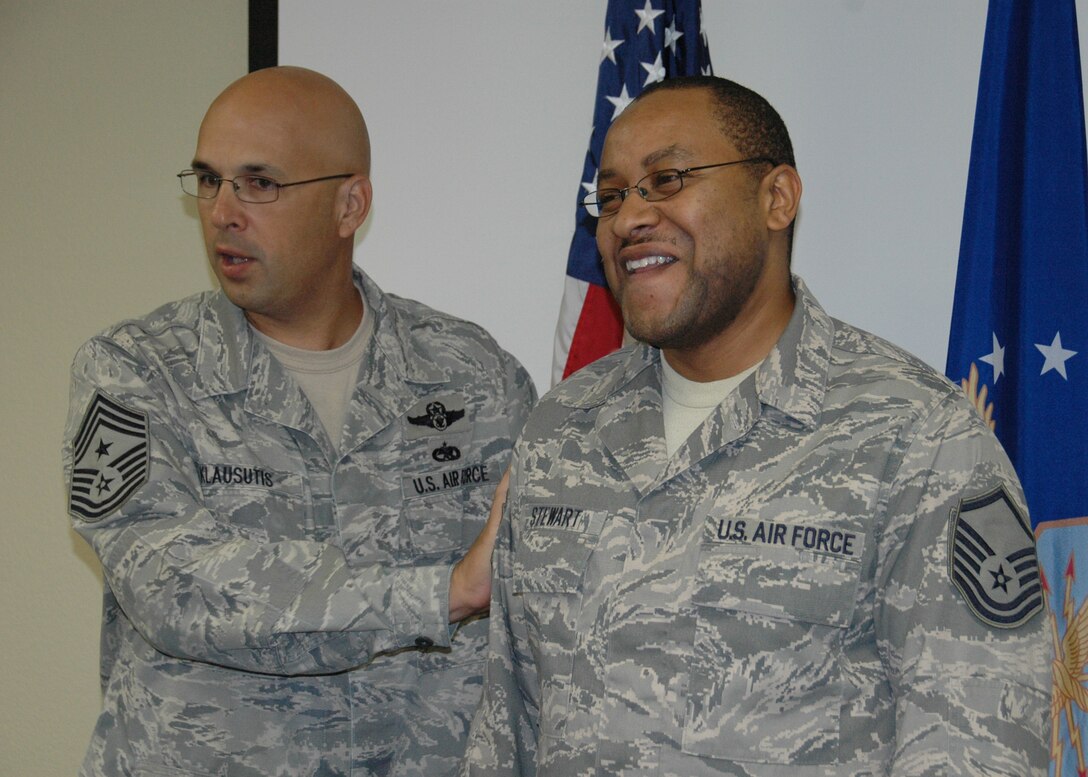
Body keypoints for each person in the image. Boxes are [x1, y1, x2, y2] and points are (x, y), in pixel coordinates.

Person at [461, 76, 1049, 776]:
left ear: (777, 198)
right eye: (612, 196)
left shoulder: (917, 436)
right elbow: (508, 729)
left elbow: (979, 745)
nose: (627, 219)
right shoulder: (562, 427)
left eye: (668, 179)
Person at [63, 66, 535, 777]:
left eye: (259, 183)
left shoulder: (476, 376)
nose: (223, 210)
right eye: (209, 180)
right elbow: (173, 586)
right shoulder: (134, 372)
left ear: (351, 204)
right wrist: (439, 593)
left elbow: (538, 611)